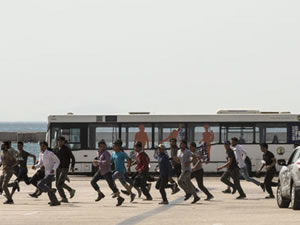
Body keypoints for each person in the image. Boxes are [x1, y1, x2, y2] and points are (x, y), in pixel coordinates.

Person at [91, 140, 124, 206]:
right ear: (98, 147)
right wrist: (95, 163)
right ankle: (100, 194)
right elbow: (98, 162)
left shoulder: (106, 153)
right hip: (101, 171)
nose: (102, 148)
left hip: (107, 171)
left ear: (105, 146)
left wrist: (99, 162)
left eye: (103, 146)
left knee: (111, 185)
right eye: (100, 146)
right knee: (93, 181)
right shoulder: (98, 153)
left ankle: (119, 198)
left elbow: (108, 162)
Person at [33, 141, 61, 206]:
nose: (41, 147)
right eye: (41, 146)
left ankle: (52, 190)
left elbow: (57, 161)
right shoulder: (41, 154)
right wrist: (35, 166)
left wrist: (54, 169)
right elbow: (40, 163)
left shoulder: (50, 153)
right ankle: (55, 201)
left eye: (43, 146)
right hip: (46, 172)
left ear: (46, 147)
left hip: (51, 173)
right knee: (48, 187)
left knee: (39, 184)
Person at [174, 140, 200, 204]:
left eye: (181, 144)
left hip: (187, 170)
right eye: (180, 144)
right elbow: (179, 160)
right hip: (183, 169)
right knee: (188, 183)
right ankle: (196, 196)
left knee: (180, 181)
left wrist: (189, 162)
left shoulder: (187, 151)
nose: (180, 145)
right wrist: (176, 160)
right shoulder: (178, 151)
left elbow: (195, 157)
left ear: (184, 145)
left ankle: (188, 192)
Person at [55, 136, 76, 203]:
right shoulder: (56, 149)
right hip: (58, 168)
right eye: (59, 141)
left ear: (64, 142)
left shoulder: (66, 149)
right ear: (57, 141)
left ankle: (66, 195)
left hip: (65, 168)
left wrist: (72, 167)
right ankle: (68, 193)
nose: (60, 142)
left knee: (59, 183)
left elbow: (73, 158)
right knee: (58, 184)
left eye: (62, 141)